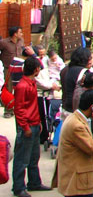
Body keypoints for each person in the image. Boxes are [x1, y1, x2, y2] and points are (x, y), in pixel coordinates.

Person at [12, 57, 51, 197]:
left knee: (34, 157)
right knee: (22, 159)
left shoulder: (31, 83)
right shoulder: (23, 86)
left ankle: (34, 182)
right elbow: (19, 109)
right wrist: (25, 126)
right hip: (28, 126)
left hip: (34, 124)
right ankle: (18, 187)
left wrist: (38, 121)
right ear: (35, 69)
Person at [57, 90, 93, 197]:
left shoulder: (75, 118)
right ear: (92, 108)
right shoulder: (77, 126)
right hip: (78, 184)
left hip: (77, 180)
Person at [0, 26, 25, 116]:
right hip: (8, 69)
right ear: (15, 34)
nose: (21, 34)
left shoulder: (21, 41)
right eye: (20, 32)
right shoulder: (4, 43)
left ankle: (18, 110)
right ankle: (8, 111)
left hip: (19, 68)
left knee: (20, 90)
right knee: (8, 89)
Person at [61, 47, 93, 116]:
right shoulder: (84, 73)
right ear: (83, 59)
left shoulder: (65, 70)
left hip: (66, 109)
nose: (91, 61)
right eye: (89, 59)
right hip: (78, 111)